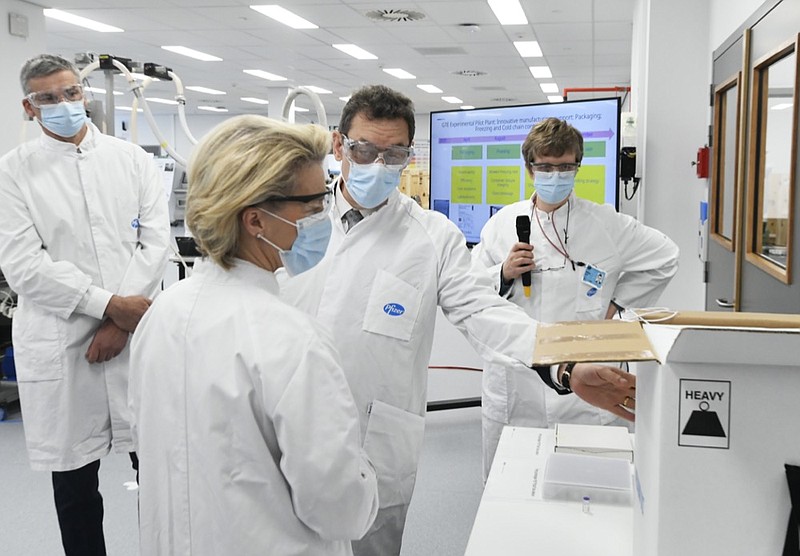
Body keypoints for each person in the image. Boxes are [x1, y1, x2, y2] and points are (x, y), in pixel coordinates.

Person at [280, 85, 637, 556]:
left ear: (409, 156)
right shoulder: (291, 219)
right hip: (283, 430)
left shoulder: (431, 237)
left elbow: (484, 312)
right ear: (340, 144)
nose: (379, 164)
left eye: (395, 154)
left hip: (373, 446)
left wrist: (563, 364)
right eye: (366, 149)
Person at [128, 115, 379, 556]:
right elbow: (338, 507)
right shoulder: (290, 339)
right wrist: (367, 475)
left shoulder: (163, 313)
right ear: (256, 221)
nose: (325, 217)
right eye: (314, 204)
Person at [0, 54, 170, 555]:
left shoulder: (132, 159)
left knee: (157, 476)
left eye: (70, 92)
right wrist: (108, 307)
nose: (63, 104)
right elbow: (24, 266)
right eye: (48, 98)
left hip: (134, 338)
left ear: (84, 93)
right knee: (75, 490)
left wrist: (120, 321)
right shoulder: (11, 172)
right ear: (30, 108)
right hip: (63, 342)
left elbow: (156, 245)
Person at [472, 116, 679, 476]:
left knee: (592, 490)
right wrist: (503, 273)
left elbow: (665, 257)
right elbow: (470, 292)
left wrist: (617, 305)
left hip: (587, 387)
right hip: (516, 383)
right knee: (509, 491)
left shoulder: (606, 224)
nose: (556, 175)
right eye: (546, 167)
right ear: (530, 168)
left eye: (565, 166)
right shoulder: (502, 225)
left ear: (577, 166)